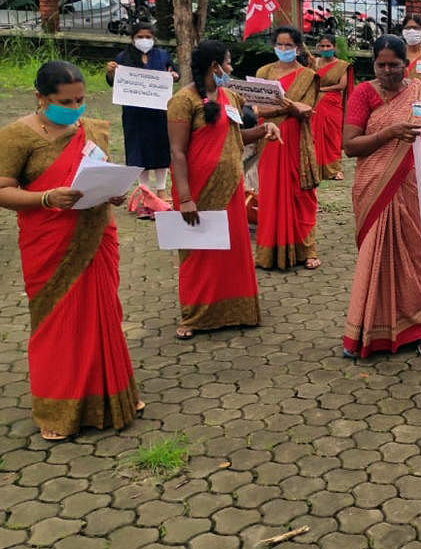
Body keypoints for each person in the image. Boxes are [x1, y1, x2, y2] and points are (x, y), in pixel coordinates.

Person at [0, 61, 143, 440]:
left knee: (103, 314)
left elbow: (99, 172)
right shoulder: (16, 136)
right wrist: (47, 197)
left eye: (80, 99)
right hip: (49, 244)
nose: (76, 107)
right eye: (66, 101)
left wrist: (113, 190)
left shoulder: (91, 129)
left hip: (96, 235)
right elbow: (3, 190)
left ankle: (115, 397)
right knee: (57, 324)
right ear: (40, 98)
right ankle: (58, 410)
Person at [341, 34, 421, 360]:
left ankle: (418, 330)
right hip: (374, 186)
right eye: (381, 65)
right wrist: (388, 134)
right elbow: (350, 145)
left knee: (413, 260)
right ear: (373, 65)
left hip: (412, 186)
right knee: (374, 257)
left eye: (394, 64)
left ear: (405, 65)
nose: (388, 71)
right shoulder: (363, 94)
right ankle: (364, 332)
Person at [167, 41, 280, 340]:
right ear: (215, 66)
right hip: (198, 191)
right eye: (228, 64)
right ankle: (195, 316)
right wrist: (186, 198)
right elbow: (177, 152)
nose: (231, 69)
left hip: (231, 187)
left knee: (231, 250)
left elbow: (235, 136)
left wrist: (264, 130)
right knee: (199, 253)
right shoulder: (183, 101)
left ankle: (237, 311)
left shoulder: (229, 96)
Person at [254, 26, 321, 270]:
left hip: (295, 139)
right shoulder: (264, 72)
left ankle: (307, 250)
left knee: (300, 193)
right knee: (271, 193)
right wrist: (289, 107)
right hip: (269, 138)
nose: (283, 49)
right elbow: (256, 108)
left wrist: (280, 107)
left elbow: (308, 109)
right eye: (279, 45)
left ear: (298, 48)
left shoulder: (308, 76)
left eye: (288, 45)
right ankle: (268, 254)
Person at [105, 23, 179, 201]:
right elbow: (113, 82)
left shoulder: (162, 56)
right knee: (138, 151)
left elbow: (175, 72)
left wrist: (175, 76)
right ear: (133, 38)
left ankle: (161, 190)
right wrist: (110, 73)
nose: (144, 40)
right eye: (140, 37)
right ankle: (145, 192)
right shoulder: (123, 57)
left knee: (161, 150)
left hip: (158, 112)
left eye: (148, 37)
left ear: (154, 38)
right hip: (134, 113)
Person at [311, 34, 353, 181]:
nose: (325, 48)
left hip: (333, 104)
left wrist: (322, 90)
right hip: (315, 103)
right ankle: (314, 168)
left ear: (334, 47)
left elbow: (342, 85)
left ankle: (334, 170)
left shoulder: (342, 65)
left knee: (332, 136)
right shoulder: (314, 63)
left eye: (328, 46)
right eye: (322, 46)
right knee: (314, 135)